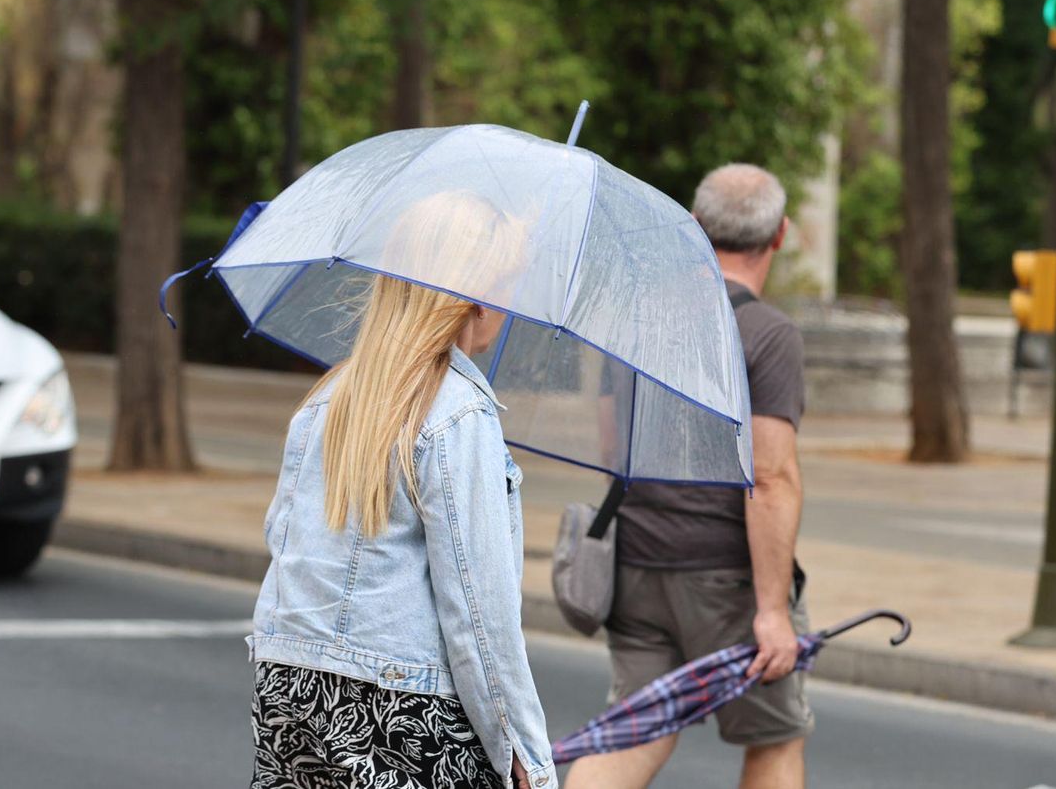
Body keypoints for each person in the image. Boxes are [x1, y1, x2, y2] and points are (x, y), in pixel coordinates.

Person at [247, 194, 557, 789]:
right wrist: (524, 752)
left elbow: (283, 543)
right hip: (402, 709)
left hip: (291, 689)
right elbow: (476, 607)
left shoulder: (329, 398)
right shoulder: (457, 414)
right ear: (474, 299)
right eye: (506, 284)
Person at [567, 164, 810, 789]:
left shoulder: (638, 318)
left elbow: (609, 443)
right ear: (779, 236)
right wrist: (773, 612)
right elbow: (772, 477)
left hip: (637, 562)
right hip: (723, 577)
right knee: (772, 738)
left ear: (696, 228)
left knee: (633, 731)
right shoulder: (768, 335)